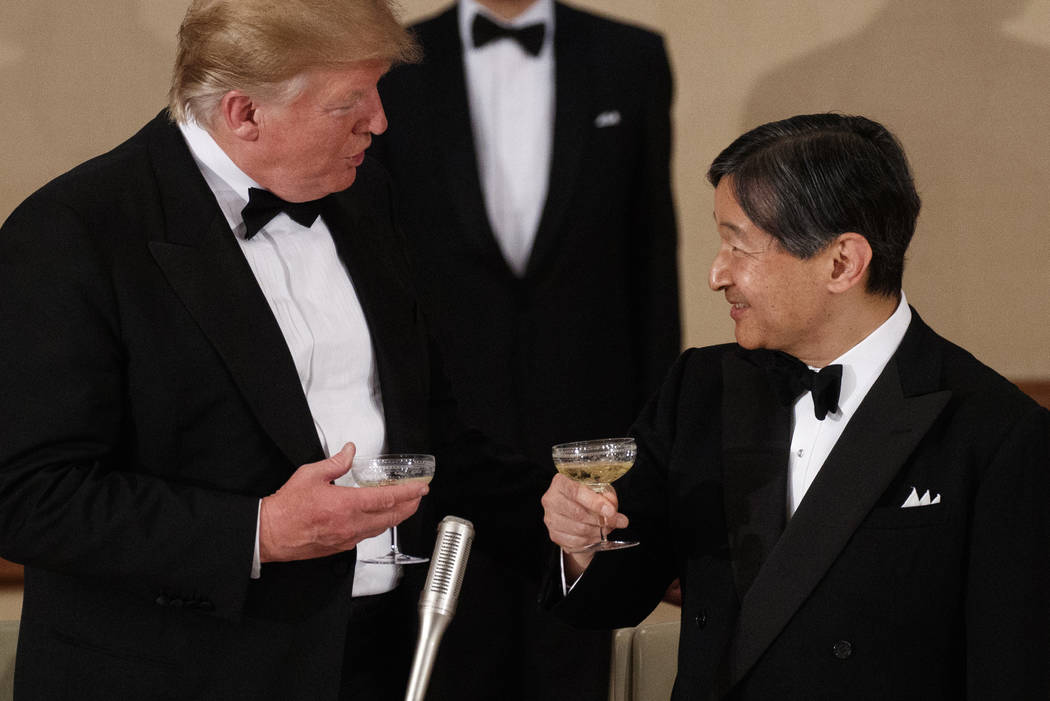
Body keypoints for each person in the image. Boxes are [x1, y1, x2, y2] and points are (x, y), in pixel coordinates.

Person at [0, 2, 546, 700]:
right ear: (244, 113)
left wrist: (552, 517)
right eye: (349, 102)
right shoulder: (74, 232)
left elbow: (429, 431)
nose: (378, 121)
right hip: (177, 674)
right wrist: (257, 531)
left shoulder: (365, 195)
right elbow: (25, 497)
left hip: (379, 660)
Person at [539, 114, 1050, 700]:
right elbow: (616, 594)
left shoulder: (998, 432)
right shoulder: (701, 387)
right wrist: (579, 544)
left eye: (740, 245)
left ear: (841, 263)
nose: (716, 273)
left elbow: (1015, 671)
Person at [372, 1, 680, 698]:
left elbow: (651, 262)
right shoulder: (395, 59)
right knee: (445, 654)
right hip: (444, 434)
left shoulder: (631, 56)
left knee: (573, 665)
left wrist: (661, 458)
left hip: (587, 440)